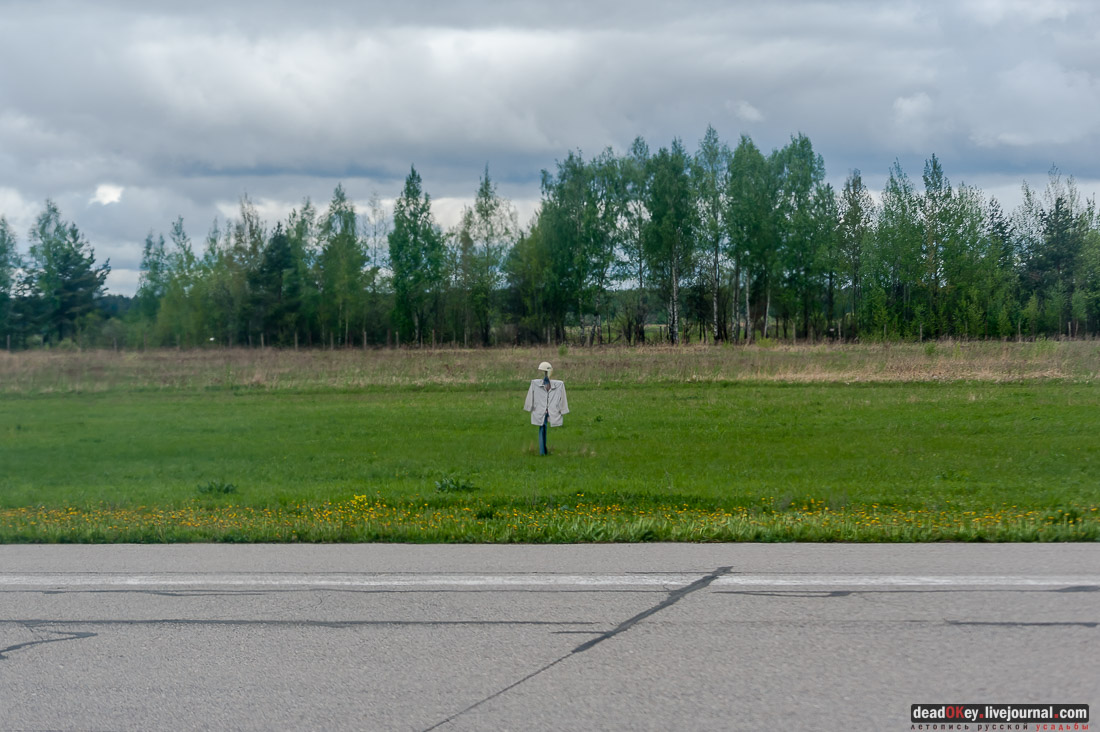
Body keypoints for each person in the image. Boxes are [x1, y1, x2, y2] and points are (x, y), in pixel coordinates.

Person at [523, 361, 569, 455]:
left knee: (543, 427)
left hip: (553, 410)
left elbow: (563, 398)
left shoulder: (559, 385)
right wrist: (529, 407)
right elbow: (530, 396)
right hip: (539, 410)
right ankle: (542, 451)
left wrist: (563, 409)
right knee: (542, 427)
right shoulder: (535, 384)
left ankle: (543, 451)